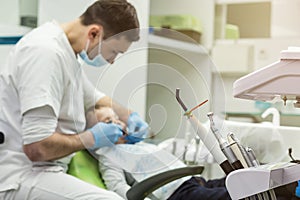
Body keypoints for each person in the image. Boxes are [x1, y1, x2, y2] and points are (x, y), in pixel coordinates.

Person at [0, 0, 148, 199]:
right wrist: (92, 138)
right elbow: (37, 147)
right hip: (21, 176)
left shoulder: (66, 54)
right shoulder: (45, 53)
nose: (112, 61)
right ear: (94, 33)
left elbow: (94, 98)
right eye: (113, 52)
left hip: (46, 170)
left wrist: (129, 116)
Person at [87, 106, 231, 200]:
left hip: (193, 181)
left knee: (236, 182)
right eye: (108, 122)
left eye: (116, 119)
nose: (117, 123)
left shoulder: (137, 144)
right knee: (231, 196)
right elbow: (117, 185)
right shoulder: (108, 155)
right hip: (176, 194)